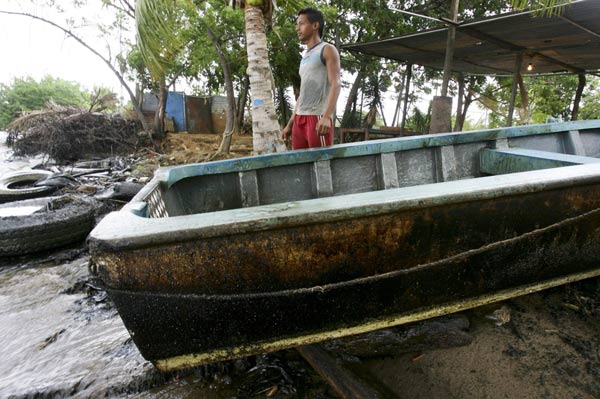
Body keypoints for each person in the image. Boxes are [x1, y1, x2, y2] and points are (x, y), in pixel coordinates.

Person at [281, 7, 341, 150]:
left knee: (320, 165)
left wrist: (327, 116)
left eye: (301, 24)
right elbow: (303, 94)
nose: (297, 28)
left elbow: (336, 84)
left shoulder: (327, 49)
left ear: (315, 25)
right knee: (300, 165)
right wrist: (290, 124)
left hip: (317, 117)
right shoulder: (305, 57)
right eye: (297, 24)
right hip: (299, 119)